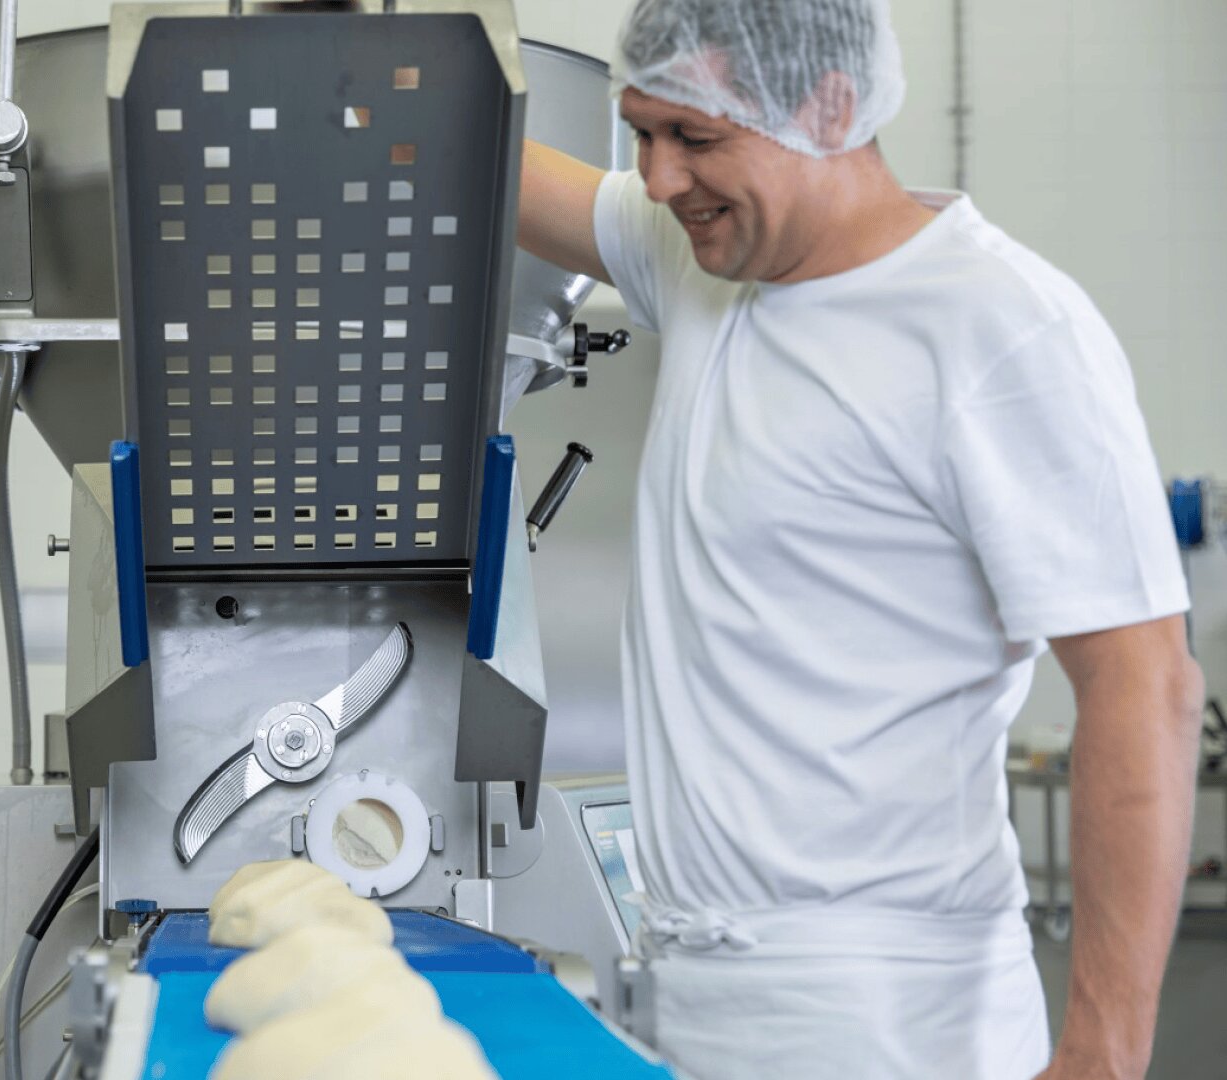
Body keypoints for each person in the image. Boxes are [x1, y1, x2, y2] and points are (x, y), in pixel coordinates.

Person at [516, 1, 1205, 1077]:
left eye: (693, 137)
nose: (655, 178)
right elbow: (491, 173)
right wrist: (329, 58)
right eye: (638, 132)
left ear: (827, 106)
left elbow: (1141, 685)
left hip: (892, 1017)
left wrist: (1102, 1057)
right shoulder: (702, 266)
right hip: (690, 983)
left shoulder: (993, 326)